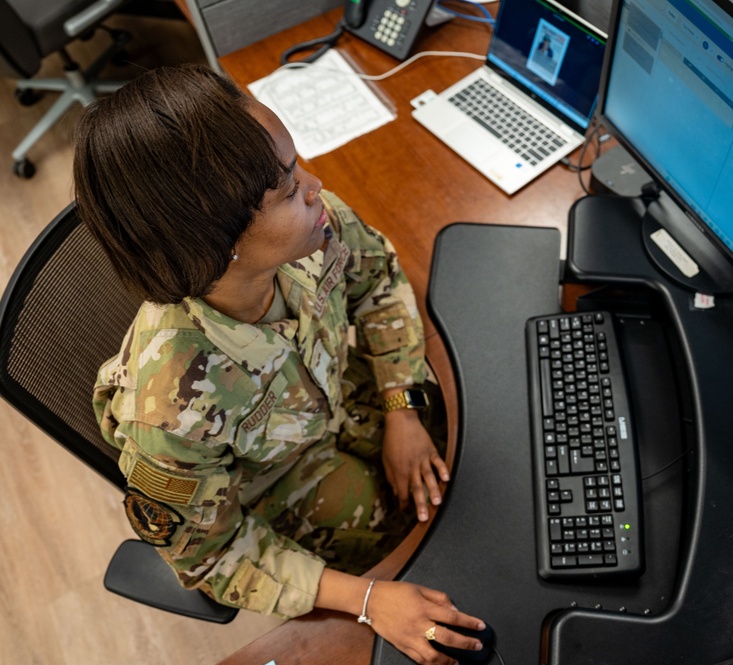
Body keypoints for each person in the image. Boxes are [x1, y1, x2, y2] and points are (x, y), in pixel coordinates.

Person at [73, 64, 484, 665]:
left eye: (295, 170)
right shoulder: (166, 415)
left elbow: (377, 279)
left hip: (344, 391)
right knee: (431, 553)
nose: (315, 187)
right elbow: (212, 554)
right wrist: (368, 599)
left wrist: (402, 408)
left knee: (473, 460)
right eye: (288, 190)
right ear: (218, 242)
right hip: (280, 484)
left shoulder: (310, 230)